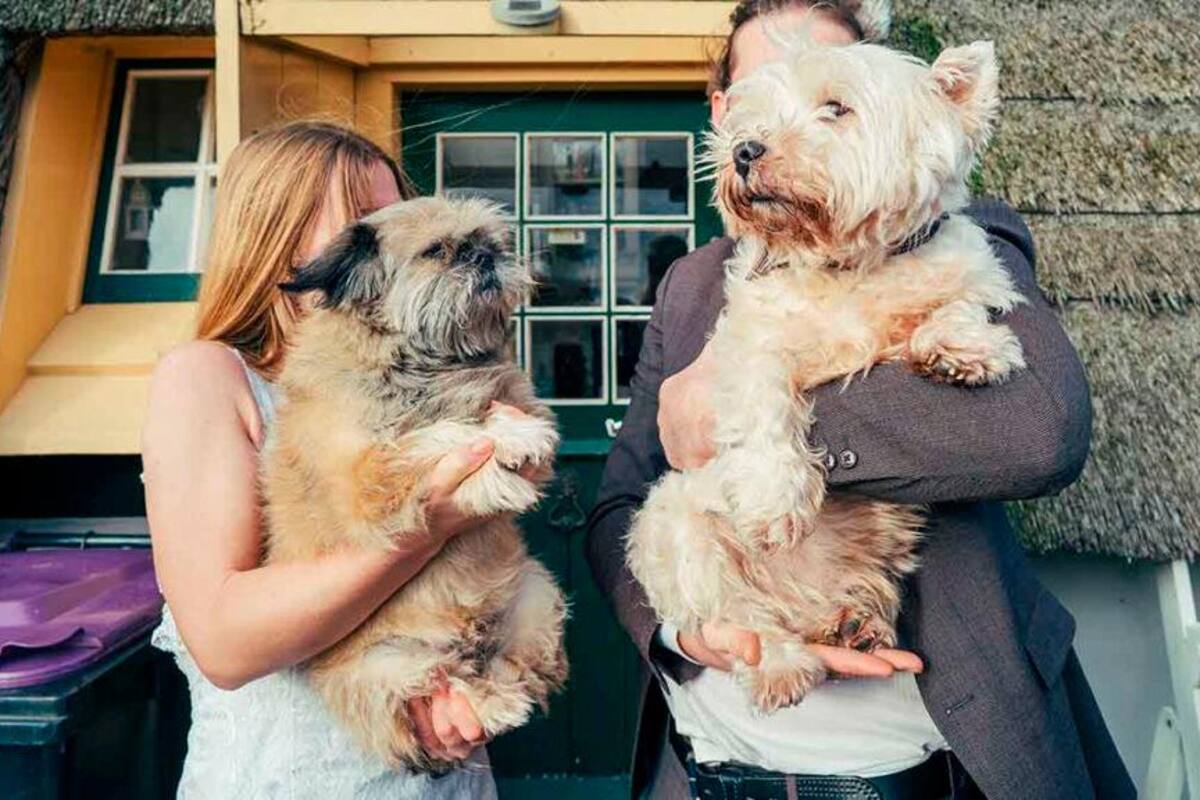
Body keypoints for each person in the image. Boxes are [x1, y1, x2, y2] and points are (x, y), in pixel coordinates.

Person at [584, 2, 1136, 799]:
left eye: (831, 106)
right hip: (707, 768)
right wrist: (687, 632)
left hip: (938, 765)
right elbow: (617, 508)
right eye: (762, 101)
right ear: (723, 112)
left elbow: (1042, 434)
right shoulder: (690, 284)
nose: (770, 140)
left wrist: (755, 421)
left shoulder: (962, 234)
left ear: (907, 118)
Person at [143, 121, 508, 799]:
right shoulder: (209, 378)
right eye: (369, 220)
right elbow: (224, 641)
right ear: (279, 238)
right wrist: (427, 524)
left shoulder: (430, 380)